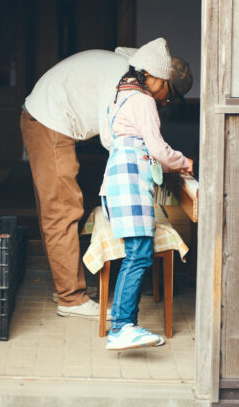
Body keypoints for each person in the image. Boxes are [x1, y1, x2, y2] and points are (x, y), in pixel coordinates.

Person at [20, 39, 192, 319]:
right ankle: (71, 299)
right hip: (49, 119)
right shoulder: (123, 79)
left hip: (48, 117)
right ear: (160, 79)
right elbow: (113, 138)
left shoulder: (130, 74)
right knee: (62, 210)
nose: (164, 102)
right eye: (168, 95)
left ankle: (64, 288)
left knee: (57, 209)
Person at [100, 37, 193, 350]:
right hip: (129, 183)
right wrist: (184, 162)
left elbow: (113, 141)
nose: (166, 97)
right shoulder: (143, 100)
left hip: (117, 178)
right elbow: (158, 150)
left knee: (135, 253)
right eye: (167, 87)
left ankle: (124, 322)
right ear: (153, 77)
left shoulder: (120, 95)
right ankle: (122, 327)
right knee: (139, 253)